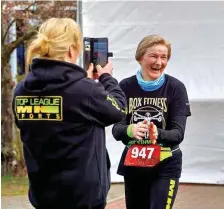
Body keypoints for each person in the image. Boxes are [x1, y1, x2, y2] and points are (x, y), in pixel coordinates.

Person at [12, 18, 127, 209]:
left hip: (43, 196)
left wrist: (86, 86)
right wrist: (106, 77)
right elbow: (119, 110)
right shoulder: (84, 91)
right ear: (72, 50)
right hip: (82, 198)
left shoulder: (22, 90)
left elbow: (58, 115)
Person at [112, 35, 191, 209]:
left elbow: (178, 133)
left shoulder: (176, 88)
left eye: (164, 57)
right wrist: (130, 130)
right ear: (140, 58)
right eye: (153, 56)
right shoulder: (125, 86)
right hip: (135, 164)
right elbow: (116, 129)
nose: (159, 62)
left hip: (166, 165)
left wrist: (158, 133)